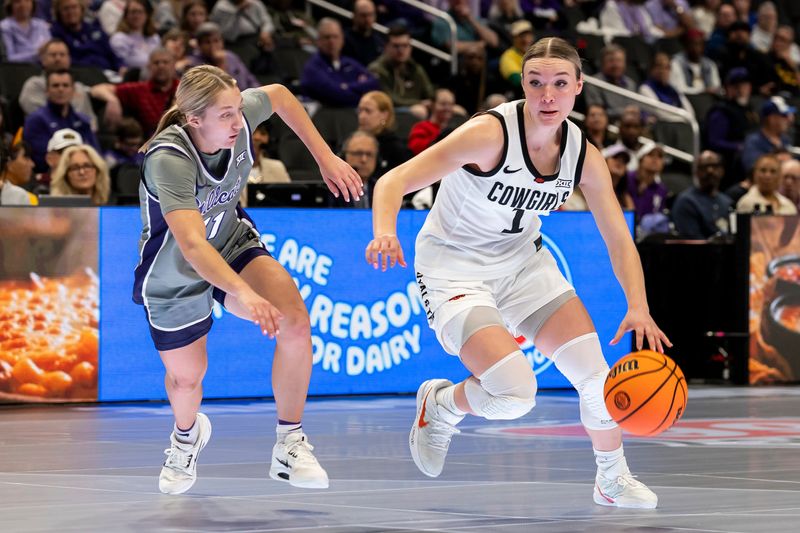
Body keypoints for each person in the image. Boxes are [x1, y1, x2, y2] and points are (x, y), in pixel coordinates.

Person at [365, 37, 670, 509]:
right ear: (524, 85)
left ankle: (611, 478)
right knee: (514, 395)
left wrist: (638, 305)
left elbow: (617, 237)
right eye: (536, 83)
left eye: (560, 84)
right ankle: (443, 405)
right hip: (454, 266)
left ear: (579, 87)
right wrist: (385, 230)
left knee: (596, 380)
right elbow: (393, 180)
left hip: (523, 263)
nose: (548, 96)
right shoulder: (488, 134)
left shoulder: (583, 155)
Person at [133, 65, 363, 495]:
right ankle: (185, 438)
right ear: (193, 118)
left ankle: (288, 442)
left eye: (238, 110)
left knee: (294, 321)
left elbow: (278, 93)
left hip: (231, 240)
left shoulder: (239, 120)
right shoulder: (169, 159)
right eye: (226, 115)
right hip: (175, 268)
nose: (239, 123)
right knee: (187, 379)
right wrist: (240, 293)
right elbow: (193, 247)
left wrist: (325, 157)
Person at [670, 150, 733, 239]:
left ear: (722, 171)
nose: (710, 171)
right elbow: (693, 243)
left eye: (714, 166)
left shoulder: (727, 202)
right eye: (704, 167)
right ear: (696, 172)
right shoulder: (686, 202)